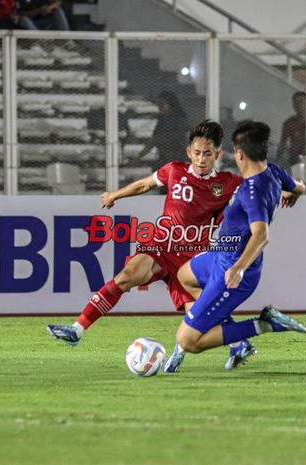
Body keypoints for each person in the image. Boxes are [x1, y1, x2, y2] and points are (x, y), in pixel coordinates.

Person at [47, 120, 257, 370]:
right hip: (161, 246)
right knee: (126, 276)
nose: (202, 159)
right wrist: (115, 195)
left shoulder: (228, 182)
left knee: (202, 314)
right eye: (197, 153)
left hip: (191, 260)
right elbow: (145, 184)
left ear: (218, 155)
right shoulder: (174, 171)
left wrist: (287, 190)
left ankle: (238, 343)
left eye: (208, 154)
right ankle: (77, 329)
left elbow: (259, 189)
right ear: (189, 152)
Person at [163, 120, 306, 373]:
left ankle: (265, 324)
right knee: (184, 277)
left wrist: (239, 268)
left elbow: (261, 235)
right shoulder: (274, 172)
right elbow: (300, 186)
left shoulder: (252, 191)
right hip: (220, 257)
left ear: (240, 154)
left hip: (233, 270)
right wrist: (292, 194)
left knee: (188, 341)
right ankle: (237, 343)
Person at [136, 91, 190, 172]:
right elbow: (154, 140)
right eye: (159, 104)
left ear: (171, 105)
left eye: (162, 104)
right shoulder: (162, 121)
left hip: (177, 159)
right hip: (164, 159)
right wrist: (139, 157)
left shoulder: (179, 121)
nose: (159, 107)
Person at [276, 91, 306, 172]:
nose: (298, 105)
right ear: (293, 105)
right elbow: (282, 143)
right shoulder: (289, 123)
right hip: (294, 158)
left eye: (301, 102)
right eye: (295, 102)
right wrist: (277, 160)